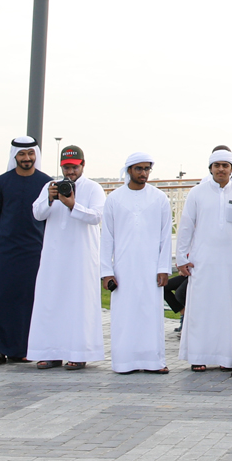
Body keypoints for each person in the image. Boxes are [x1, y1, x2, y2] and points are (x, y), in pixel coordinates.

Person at [26, 146, 106, 370]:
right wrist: (50, 199)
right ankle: (50, 352)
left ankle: (79, 353)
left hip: (81, 256)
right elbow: (37, 213)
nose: (70, 172)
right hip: (54, 256)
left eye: (74, 167)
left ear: (82, 165)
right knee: (50, 301)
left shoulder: (93, 188)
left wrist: (73, 205)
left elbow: (97, 216)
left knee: (79, 303)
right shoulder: (49, 187)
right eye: (66, 167)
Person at [176, 150, 232, 369]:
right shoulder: (196, 193)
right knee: (202, 308)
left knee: (231, 309)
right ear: (210, 168)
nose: (221, 169)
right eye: (217, 165)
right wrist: (181, 258)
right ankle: (200, 357)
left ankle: (229, 358)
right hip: (203, 260)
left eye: (225, 165)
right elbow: (186, 226)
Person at [101, 150, 173, 374]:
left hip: (151, 268)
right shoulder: (114, 199)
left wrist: (163, 268)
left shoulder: (159, 198)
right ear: (129, 170)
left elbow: (165, 236)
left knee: (151, 315)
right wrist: (106, 271)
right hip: (123, 268)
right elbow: (107, 238)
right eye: (139, 169)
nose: (143, 173)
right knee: (125, 316)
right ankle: (124, 362)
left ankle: (154, 362)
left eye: (147, 169)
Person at [0, 137, 51, 366]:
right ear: (15, 156)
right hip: (6, 249)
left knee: (29, 298)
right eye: (22, 154)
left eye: (30, 154)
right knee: (1, 297)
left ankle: (24, 349)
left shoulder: (46, 183)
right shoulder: (1, 182)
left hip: (35, 249)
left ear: (36, 156)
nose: (26, 158)